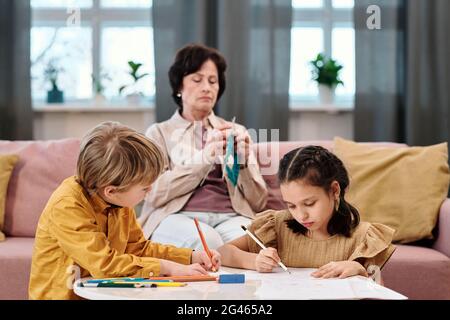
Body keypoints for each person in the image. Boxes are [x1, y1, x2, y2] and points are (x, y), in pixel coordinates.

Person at [29, 122, 220, 300]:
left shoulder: (119, 201)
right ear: (111, 191)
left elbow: (138, 248)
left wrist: (191, 256)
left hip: (99, 293)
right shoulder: (67, 205)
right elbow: (105, 265)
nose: (150, 191)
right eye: (145, 188)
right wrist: (168, 267)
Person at [139, 44, 268, 249]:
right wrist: (204, 158)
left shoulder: (235, 131)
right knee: (209, 243)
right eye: (197, 80)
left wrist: (242, 164)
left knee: (256, 242)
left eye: (213, 81)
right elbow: (153, 193)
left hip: (231, 217)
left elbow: (259, 203)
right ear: (179, 87)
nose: (207, 87)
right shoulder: (159, 133)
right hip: (178, 217)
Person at [218, 145, 396, 279]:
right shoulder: (276, 225)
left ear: (335, 191)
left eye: (309, 203)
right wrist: (253, 261)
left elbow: (378, 290)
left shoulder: (363, 237)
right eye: (291, 205)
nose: (301, 215)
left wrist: (360, 271)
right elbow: (223, 252)